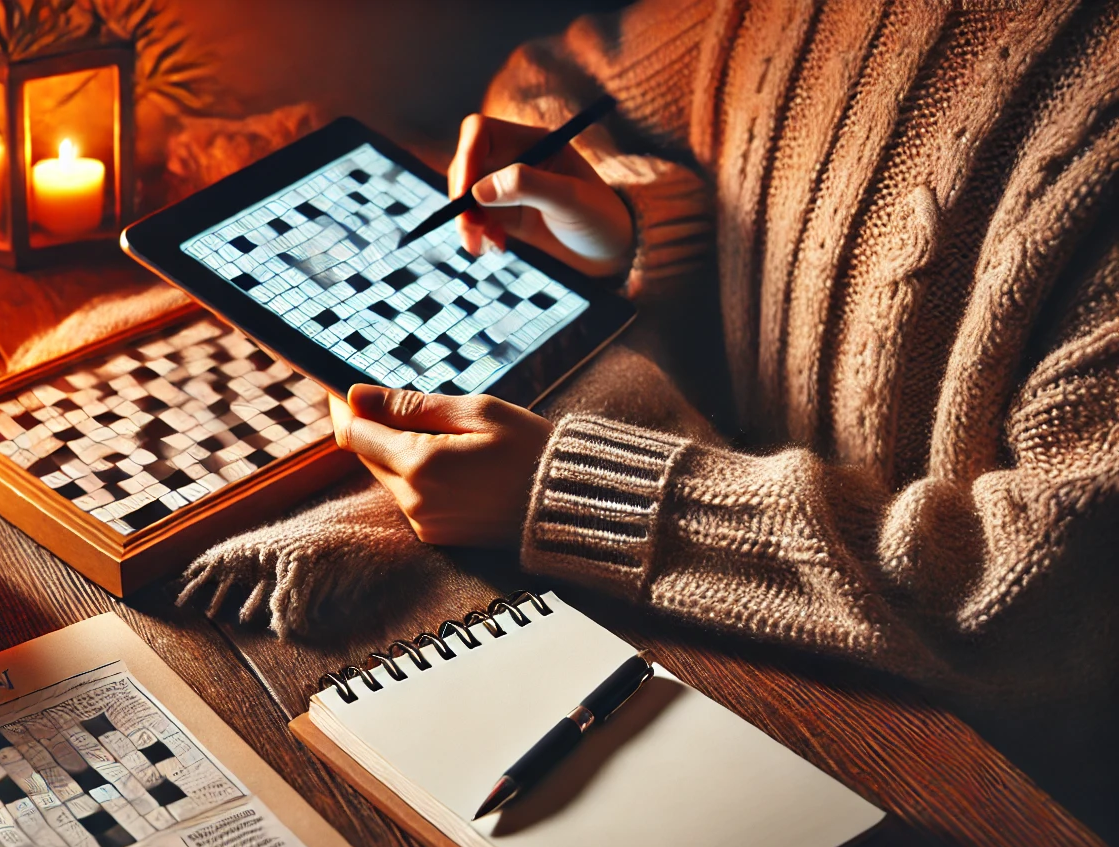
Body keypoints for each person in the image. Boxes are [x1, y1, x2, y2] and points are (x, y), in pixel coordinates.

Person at [329, 0, 1119, 694]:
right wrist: (622, 215)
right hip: (707, 593)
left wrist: (574, 494)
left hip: (964, 754)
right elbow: (550, 75)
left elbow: (1047, 600)